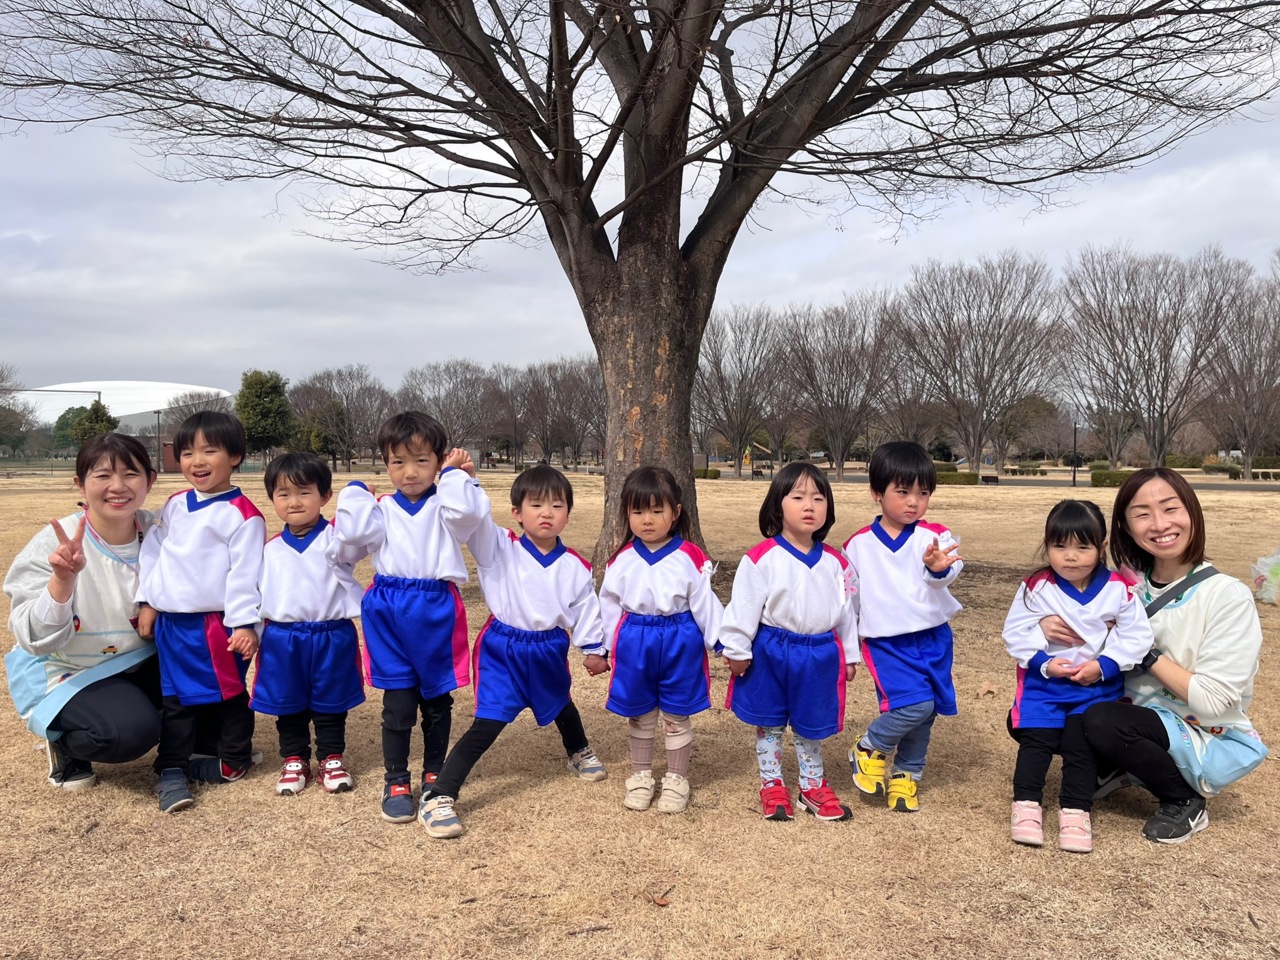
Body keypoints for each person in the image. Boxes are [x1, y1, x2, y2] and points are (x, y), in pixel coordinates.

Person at [418, 465, 609, 839]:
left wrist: (593, 648)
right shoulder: (499, 546)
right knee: (488, 723)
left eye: (557, 505)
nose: (547, 513)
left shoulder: (576, 566)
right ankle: (439, 796)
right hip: (503, 651)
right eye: (536, 505)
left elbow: (586, 608)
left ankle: (579, 751)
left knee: (560, 703)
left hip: (548, 648)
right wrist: (462, 478)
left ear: (568, 513)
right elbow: (471, 517)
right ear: (517, 512)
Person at [1081, 468, 1268, 844]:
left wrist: (1144, 653)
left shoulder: (1226, 596)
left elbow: (1213, 701)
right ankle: (1119, 765)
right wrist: (1053, 622)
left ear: (1192, 512)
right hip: (1131, 712)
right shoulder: (1124, 584)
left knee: (1103, 721)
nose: (1159, 524)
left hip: (1196, 726)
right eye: (1142, 514)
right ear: (1126, 527)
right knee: (1033, 713)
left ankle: (1183, 799)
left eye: (1170, 508)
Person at [326, 412, 489, 823]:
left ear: (438, 462)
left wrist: (456, 476)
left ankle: (435, 772)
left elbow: (468, 515)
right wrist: (354, 492)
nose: (409, 472)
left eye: (421, 461)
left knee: (436, 700)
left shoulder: (447, 505)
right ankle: (396, 778)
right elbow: (349, 539)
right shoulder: (380, 508)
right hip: (389, 610)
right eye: (398, 462)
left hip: (435, 608)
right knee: (398, 702)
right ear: (385, 464)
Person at [5, 433, 161, 790]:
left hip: (139, 658)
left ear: (150, 481)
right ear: (80, 483)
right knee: (128, 732)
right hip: (70, 668)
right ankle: (64, 740)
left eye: (131, 474)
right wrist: (62, 580)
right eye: (103, 475)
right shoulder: (54, 543)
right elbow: (33, 638)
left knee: (205, 679)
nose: (118, 486)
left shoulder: (159, 531)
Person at [1001, 499, 1154, 853]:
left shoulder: (1118, 589)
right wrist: (1044, 662)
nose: (1070, 557)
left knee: (1080, 746)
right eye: (1060, 546)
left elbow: (1137, 636)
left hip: (1095, 691)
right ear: (1047, 544)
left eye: (1082, 547)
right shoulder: (1036, 587)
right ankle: (1026, 805)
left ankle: (1075, 810)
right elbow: (1015, 632)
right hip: (1043, 688)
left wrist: (1104, 666)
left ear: (1101, 546)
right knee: (1036, 742)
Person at [136, 411, 265, 813]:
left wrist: (244, 624)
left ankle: (232, 760)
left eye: (210, 451)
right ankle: (173, 769)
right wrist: (147, 601)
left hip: (213, 626)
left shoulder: (243, 514)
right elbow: (153, 553)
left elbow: (246, 575)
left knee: (228, 695)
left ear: (235, 456)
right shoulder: (175, 504)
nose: (197, 461)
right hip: (171, 624)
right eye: (188, 452)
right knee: (174, 697)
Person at [720, 462, 859, 823]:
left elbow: (847, 613)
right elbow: (743, 608)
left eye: (818, 498)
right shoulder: (761, 558)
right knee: (769, 721)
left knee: (811, 722)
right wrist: (737, 650)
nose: (809, 505)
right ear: (777, 505)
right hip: (771, 650)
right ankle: (772, 783)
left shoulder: (837, 563)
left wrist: (849, 654)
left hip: (819, 653)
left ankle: (811, 786)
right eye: (798, 497)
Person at [843, 441, 962, 813]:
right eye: (903, 492)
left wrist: (938, 568)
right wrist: (848, 650)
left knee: (928, 711)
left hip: (933, 639)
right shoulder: (857, 546)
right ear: (877, 492)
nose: (913, 502)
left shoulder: (935, 536)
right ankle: (869, 746)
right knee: (914, 705)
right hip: (886, 644)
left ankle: (907, 774)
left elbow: (949, 570)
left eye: (923, 493)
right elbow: (849, 605)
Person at [599, 466, 724, 814]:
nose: (647, 520)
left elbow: (706, 604)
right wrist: (601, 648)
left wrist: (723, 643)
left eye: (657, 510)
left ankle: (676, 779)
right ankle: (641, 776)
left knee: (675, 713)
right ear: (626, 513)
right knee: (640, 714)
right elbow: (608, 606)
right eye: (638, 511)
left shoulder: (691, 557)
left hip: (679, 641)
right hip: (634, 641)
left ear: (676, 512)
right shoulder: (620, 560)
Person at [251, 452, 365, 796]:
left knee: (331, 702)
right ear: (272, 498)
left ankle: (331, 757)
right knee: (288, 703)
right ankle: (294, 758)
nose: (294, 502)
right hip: (283, 638)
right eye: (283, 494)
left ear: (324, 496)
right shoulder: (268, 549)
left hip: (331, 635)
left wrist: (357, 493)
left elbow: (360, 533)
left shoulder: (338, 541)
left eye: (304, 492)